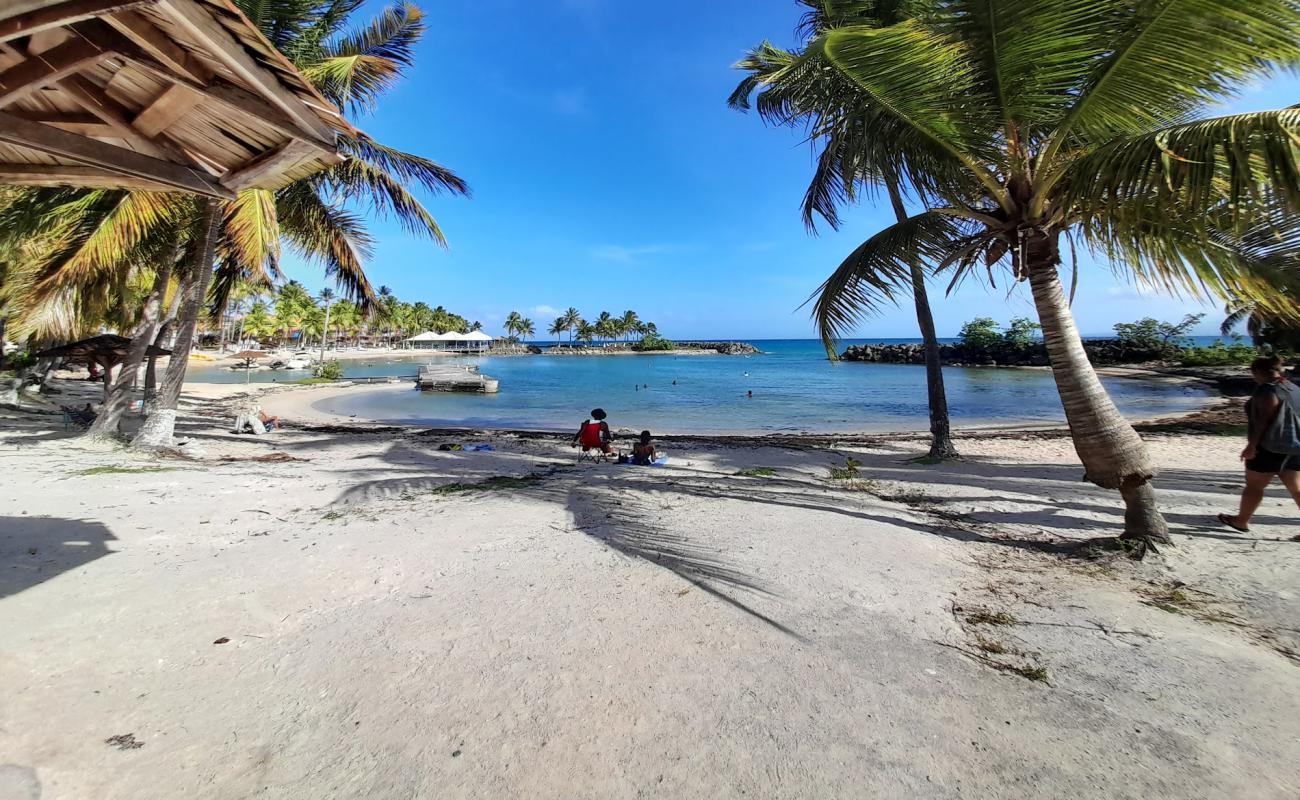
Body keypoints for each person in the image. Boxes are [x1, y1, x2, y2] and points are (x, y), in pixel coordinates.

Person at [1218, 356, 1300, 532]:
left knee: (1255, 485)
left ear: (1257, 372)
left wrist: (1251, 446)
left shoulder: (1267, 391)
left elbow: (1262, 421)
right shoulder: (1293, 388)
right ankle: (1241, 519)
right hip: (1294, 446)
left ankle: (1241, 520)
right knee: (1296, 488)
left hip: (1269, 447)